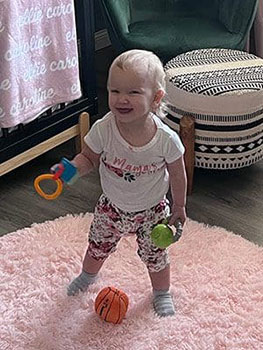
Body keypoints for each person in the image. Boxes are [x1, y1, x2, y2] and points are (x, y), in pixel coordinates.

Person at [57, 49, 187, 317]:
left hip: (152, 211)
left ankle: (161, 293)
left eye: (133, 92)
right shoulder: (104, 129)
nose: (121, 99)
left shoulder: (165, 139)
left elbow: (177, 173)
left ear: (156, 98)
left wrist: (179, 206)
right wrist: (70, 170)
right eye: (114, 91)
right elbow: (88, 158)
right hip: (111, 207)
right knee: (96, 246)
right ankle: (87, 275)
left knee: (157, 257)